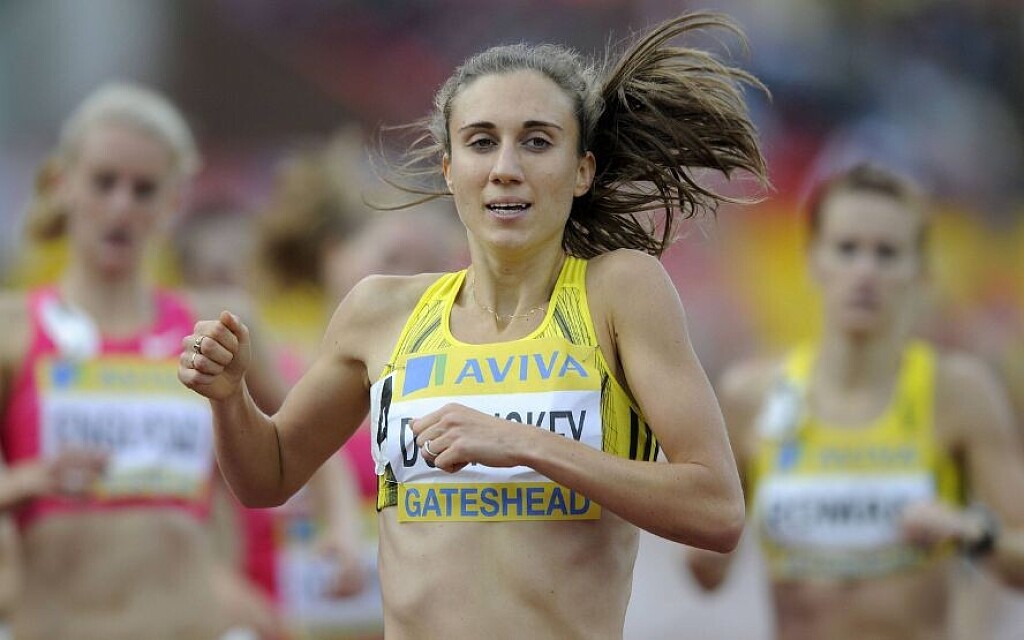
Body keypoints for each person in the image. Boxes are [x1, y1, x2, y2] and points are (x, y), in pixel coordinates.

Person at [181, 12, 766, 638]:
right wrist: (229, 398)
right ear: (449, 168)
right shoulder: (379, 311)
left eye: (537, 141)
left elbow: (716, 509)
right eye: (482, 142)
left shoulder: (619, 290)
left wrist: (525, 444)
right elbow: (268, 476)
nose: (505, 167)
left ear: (582, 170)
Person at [687, 163, 1024, 640]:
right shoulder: (752, 396)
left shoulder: (959, 392)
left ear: (921, 271)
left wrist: (968, 530)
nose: (865, 271)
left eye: (887, 253)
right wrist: (705, 540)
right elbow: (706, 574)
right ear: (813, 261)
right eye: (847, 249)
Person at [0, 83, 285, 639]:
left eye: (144, 188)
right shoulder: (11, 327)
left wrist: (336, 533)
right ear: (62, 183)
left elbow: (307, 439)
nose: (121, 206)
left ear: (173, 202)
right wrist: (23, 482)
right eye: (104, 182)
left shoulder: (215, 325)